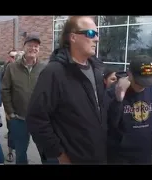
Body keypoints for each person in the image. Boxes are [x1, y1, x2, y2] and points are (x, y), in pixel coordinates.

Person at [26, 16, 107, 164]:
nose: (96, 39)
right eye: (90, 34)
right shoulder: (54, 72)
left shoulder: (97, 69)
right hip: (73, 157)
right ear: (73, 37)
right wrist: (59, 154)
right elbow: (36, 118)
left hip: (98, 155)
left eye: (97, 34)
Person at [106, 55, 152, 164]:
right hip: (118, 154)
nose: (143, 86)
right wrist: (118, 99)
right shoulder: (114, 90)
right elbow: (109, 123)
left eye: (147, 82)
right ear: (130, 74)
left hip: (144, 152)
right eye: (140, 82)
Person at [1, 34, 46, 164]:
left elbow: (49, 91)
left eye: (36, 46)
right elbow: (5, 90)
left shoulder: (44, 68)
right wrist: (10, 112)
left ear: (39, 49)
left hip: (40, 119)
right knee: (21, 153)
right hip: (19, 119)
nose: (33, 48)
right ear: (24, 47)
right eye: (30, 45)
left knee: (47, 152)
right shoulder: (12, 67)